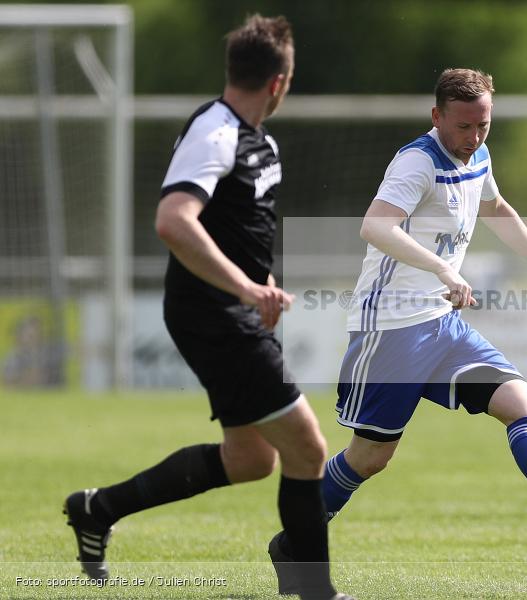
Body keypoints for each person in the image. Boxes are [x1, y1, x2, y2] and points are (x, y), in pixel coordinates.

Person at [63, 15, 352, 600]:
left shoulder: (258, 142)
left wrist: (261, 282)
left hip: (234, 311)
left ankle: (98, 508)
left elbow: (235, 228)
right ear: (279, 81)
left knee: (250, 460)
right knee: (308, 447)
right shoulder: (217, 133)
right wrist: (246, 291)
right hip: (212, 314)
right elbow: (174, 220)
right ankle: (313, 591)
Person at [296, 67, 527, 558]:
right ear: (437, 116)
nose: (474, 136)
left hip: (443, 327)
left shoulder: (477, 153)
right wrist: (443, 270)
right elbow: (375, 226)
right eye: (463, 126)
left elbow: (496, 209)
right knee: (370, 457)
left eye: (484, 125)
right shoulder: (416, 163)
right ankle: (299, 533)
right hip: (391, 330)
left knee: (524, 406)